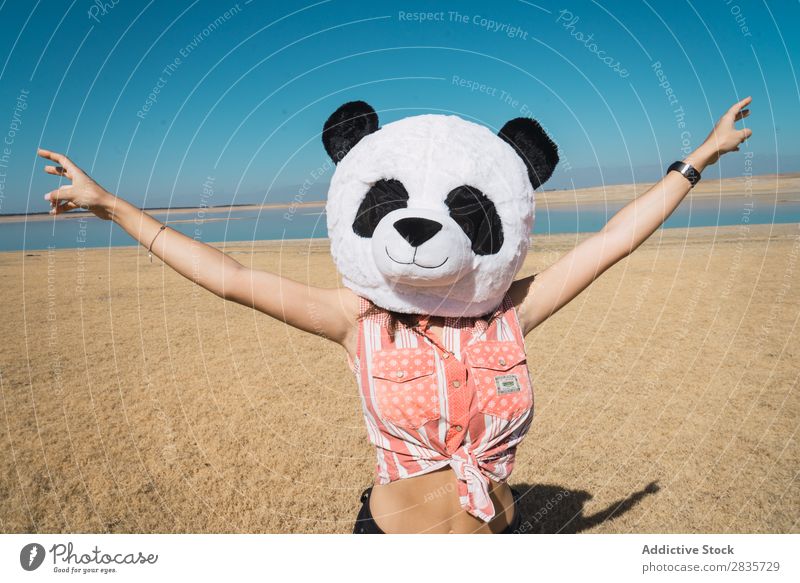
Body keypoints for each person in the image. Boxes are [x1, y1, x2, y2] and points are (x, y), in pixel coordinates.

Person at [38, 96, 752, 534]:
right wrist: (113, 206)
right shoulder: (359, 321)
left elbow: (612, 242)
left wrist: (699, 158)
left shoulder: (510, 313)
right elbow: (232, 278)